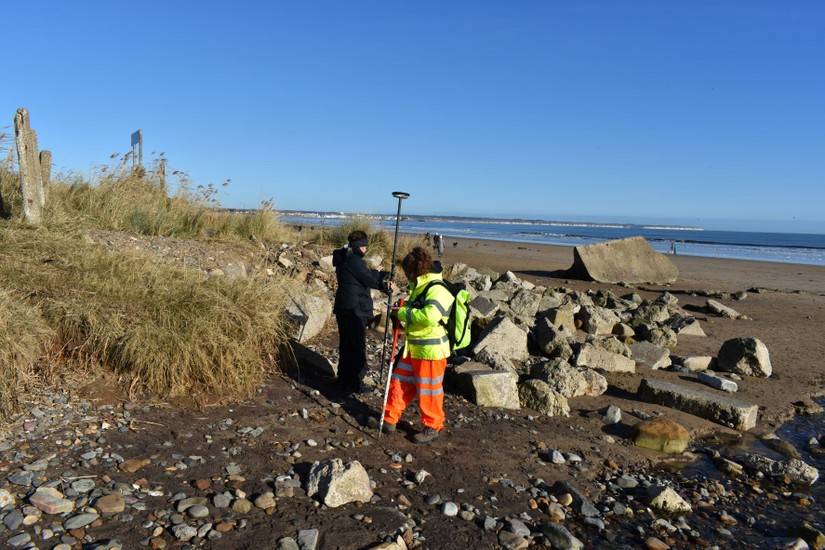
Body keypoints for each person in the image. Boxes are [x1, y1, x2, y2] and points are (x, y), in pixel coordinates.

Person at [383, 246, 454, 444]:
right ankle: (389, 419)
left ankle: (432, 427)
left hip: (431, 351)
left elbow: (430, 316)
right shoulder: (420, 286)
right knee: (399, 382)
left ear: (416, 271)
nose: (406, 277)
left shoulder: (437, 289)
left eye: (408, 273)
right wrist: (402, 308)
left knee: (429, 390)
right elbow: (418, 310)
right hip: (413, 347)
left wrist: (403, 313)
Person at [332, 230, 389, 394]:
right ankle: (355, 383)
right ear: (358, 247)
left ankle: (344, 380)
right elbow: (369, 280)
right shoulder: (355, 261)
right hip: (354, 309)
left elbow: (358, 277)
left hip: (343, 306)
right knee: (356, 346)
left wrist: (374, 272)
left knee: (346, 345)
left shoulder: (342, 258)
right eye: (364, 247)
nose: (365, 250)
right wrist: (377, 274)